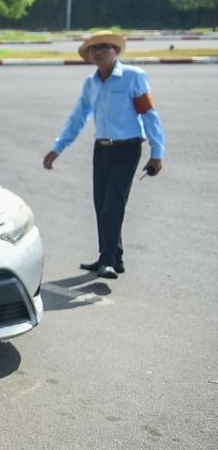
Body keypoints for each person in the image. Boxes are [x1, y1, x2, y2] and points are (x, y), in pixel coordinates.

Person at [42, 30, 165, 280]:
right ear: (88, 55)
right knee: (102, 205)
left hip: (127, 148)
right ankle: (114, 257)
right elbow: (78, 117)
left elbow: (148, 114)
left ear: (116, 51)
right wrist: (58, 147)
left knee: (112, 206)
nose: (98, 52)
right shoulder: (91, 83)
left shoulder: (133, 77)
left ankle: (107, 260)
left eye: (105, 47)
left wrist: (157, 152)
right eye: (94, 48)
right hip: (102, 149)